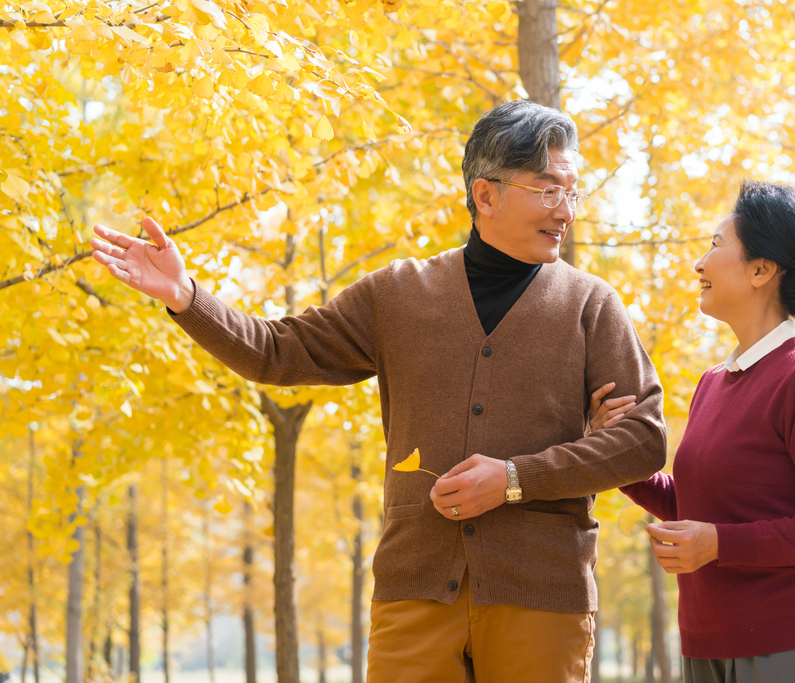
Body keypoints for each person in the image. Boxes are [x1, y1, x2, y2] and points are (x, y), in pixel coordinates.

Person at [90, 100, 667, 683]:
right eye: (547, 191)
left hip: (543, 591)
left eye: (572, 192)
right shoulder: (398, 294)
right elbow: (277, 351)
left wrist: (516, 479)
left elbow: (643, 441)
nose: (565, 210)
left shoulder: (592, 305)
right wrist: (187, 296)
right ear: (485, 195)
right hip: (414, 586)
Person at [590, 179, 795, 683]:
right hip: (706, 637)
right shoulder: (714, 381)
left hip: (788, 639)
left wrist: (719, 544)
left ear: (762, 270)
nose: (699, 263)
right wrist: (614, 450)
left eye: (716, 244)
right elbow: (705, 507)